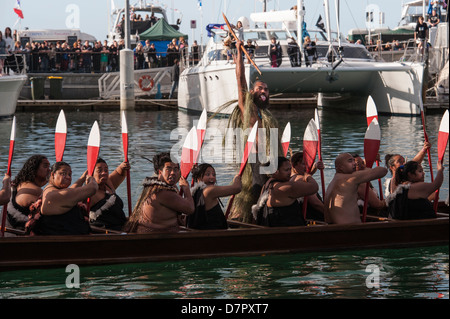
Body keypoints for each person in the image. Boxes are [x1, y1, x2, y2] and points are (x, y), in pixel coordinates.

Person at [224, 38, 281, 223]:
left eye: (266, 89)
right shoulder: (247, 110)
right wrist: (239, 53)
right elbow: (240, 80)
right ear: (251, 92)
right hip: (256, 161)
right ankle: (253, 223)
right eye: (259, 88)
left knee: (273, 192)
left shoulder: (266, 115)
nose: (264, 91)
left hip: (271, 161)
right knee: (257, 192)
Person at [123, 152, 194, 233]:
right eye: (169, 169)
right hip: (155, 238)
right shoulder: (163, 192)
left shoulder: (152, 186)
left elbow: (174, 180)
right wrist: (186, 189)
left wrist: (193, 173)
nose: (173, 172)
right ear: (160, 172)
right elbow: (190, 209)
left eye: (175, 169)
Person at [34, 161, 98, 235]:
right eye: (63, 173)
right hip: (64, 242)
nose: (68, 177)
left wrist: (83, 178)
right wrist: (91, 179)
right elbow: (92, 188)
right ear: (52, 174)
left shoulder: (49, 190)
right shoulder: (56, 195)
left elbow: (70, 191)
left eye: (70, 174)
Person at [252, 157, 319, 227]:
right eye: (286, 170)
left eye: (290, 169)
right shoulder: (285, 188)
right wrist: (307, 175)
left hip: (273, 229)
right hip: (287, 233)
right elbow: (314, 187)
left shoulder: (267, 184)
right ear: (275, 171)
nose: (289, 173)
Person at [324, 153, 387, 224]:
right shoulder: (351, 178)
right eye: (350, 161)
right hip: (348, 229)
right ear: (340, 167)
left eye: (354, 161)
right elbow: (383, 171)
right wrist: (365, 167)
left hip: (332, 228)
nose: (354, 164)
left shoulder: (334, 181)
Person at [187, 163, 242, 230]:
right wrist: (237, 178)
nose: (212, 177)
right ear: (199, 178)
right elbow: (237, 188)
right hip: (214, 235)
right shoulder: (209, 190)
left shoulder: (194, 192)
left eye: (214, 174)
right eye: (208, 174)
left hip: (202, 233)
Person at [4, 155, 50, 232]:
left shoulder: (20, 184)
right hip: (23, 235)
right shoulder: (36, 190)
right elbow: (56, 208)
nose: (49, 170)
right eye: (45, 166)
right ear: (34, 169)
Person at [89, 158, 130, 231]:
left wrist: (123, 166)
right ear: (91, 173)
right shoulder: (89, 193)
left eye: (106, 170)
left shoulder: (108, 184)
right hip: (103, 232)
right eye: (99, 170)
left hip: (121, 227)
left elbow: (119, 172)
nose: (104, 173)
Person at [290, 152, 324, 221]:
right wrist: (331, 214)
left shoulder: (292, 177)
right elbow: (315, 203)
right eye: (304, 164)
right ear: (294, 165)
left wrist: (315, 166)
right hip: (314, 218)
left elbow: (308, 173)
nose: (307, 166)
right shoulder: (302, 180)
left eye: (309, 163)